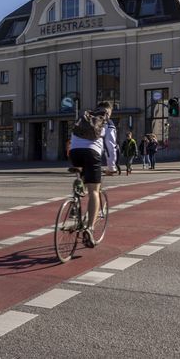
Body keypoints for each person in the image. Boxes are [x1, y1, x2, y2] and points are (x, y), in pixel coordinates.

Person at [68, 101, 117, 248]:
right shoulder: (107, 122)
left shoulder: (85, 116)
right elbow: (111, 146)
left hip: (74, 152)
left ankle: (76, 198)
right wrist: (111, 167)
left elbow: (73, 135)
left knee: (82, 176)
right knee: (94, 191)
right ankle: (89, 229)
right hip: (92, 153)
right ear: (109, 112)